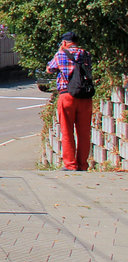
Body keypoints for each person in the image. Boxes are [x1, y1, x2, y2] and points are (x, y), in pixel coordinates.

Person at [46, 31, 92, 171]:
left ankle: (70, 164)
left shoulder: (60, 54)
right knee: (84, 132)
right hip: (85, 96)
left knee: (67, 130)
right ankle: (83, 165)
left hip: (67, 95)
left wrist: (60, 51)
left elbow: (49, 69)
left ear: (64, 42)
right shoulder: (86, 54)